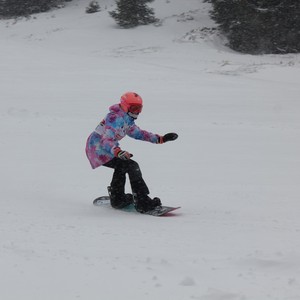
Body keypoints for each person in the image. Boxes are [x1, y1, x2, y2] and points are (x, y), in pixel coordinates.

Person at [85, 92, 178, 213]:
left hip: (105, 148)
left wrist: (160, 139)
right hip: (98, 149)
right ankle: (142, 202)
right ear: (125, 106)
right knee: (131, 166)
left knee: (123, 166)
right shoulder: (115, 118)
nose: (137, 112)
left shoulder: (127, 119)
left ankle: (117, 198)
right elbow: (106, 140)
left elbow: (138, 133)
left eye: (139, 109)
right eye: (134, 108)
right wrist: (118, 152)